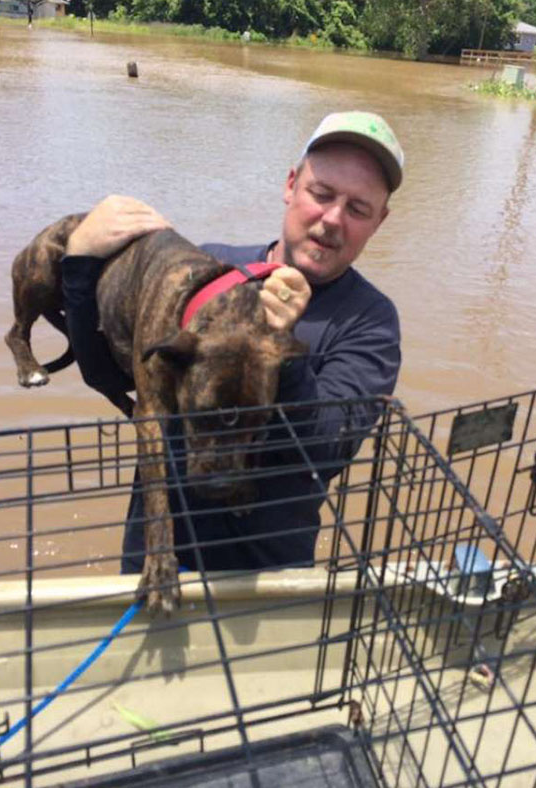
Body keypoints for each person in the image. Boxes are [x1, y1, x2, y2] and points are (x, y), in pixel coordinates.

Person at [61, 110, 404, 574]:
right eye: (321, 194)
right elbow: (105, 373)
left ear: (379, 221)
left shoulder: (370, 322)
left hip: (265, 573)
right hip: (156, 561)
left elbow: (325, 452)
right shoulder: (208, 271)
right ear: (290, 186)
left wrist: (282, 352)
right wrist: (80, 262)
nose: (332, 220)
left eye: (358, 208)